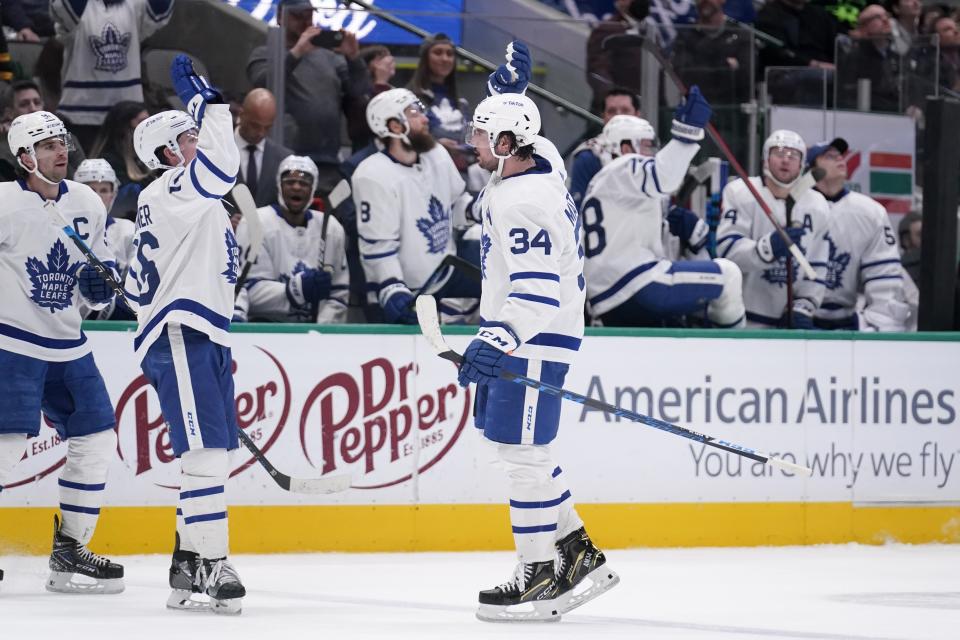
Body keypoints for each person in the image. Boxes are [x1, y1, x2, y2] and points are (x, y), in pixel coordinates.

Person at [456, 46, 619, 623]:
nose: (470, 143)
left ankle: (539, 576)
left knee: (521, 453)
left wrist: (494, 340)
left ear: (505, 145)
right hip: (533, 337)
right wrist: (511, 90)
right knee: (528, 450)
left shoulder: (523, 200)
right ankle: (576, 555)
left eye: (480, 135)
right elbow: (535, 137)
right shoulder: (538, 162)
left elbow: (536, 291)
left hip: (530, 338)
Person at [127, 55, 244, 614]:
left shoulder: (180, 200)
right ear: (168, 154)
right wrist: (211, 105)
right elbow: (224, 168)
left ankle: (187, 557)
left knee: (213, 453)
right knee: (205, 456)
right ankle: (213, 561)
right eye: (190, 135)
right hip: (182, 333)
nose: (198, 140)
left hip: (201, 334)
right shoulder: (175, 188)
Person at [0, 110, 124, 594]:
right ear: (25, 156)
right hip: (12, 343)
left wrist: (101, 288)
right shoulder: (5, 203)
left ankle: (70, 551)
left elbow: (102, 282)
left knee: (96, 441)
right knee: (5, 449)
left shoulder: (88, 203)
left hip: (70, 346)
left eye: (62, 142)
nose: (61, 151)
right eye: (49, 145)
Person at [582, 112, 746, 328]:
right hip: (637, 283)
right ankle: (734, 353)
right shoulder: (623, 166)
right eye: (646, 145)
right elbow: (665, 177)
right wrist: (686, 133)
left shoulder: (603, 186)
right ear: (624, 148)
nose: (651, 153)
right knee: (729, 276)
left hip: (605, 300)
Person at [352, 87, 479, 325]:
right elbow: (378, 248)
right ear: (395, 126)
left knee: (503, 274)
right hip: (404, 288)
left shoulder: (436, 154)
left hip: (443, 273)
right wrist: (392, 289)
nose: (425, 118)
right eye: (414, 113)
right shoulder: (371, 174)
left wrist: (482, 208)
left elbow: (455, 205)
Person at [246, 0, 371, 194]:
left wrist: (354, 58)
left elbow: (359, 92)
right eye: (298, 16)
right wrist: (296, 53)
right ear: (281, 17)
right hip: (284, 153)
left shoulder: (330, 57)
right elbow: (264, 84)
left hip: (327, 156)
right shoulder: (266, 53)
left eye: (309, 15)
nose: (305, 21)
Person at [717, 130, 831, 328]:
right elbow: (726, 252)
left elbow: (817, 266)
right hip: (741, 321)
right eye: (778, 153)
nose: (785, 161)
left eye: (793, 156)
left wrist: (804, 306)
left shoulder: (817, 204)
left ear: (803, 164)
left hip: (789, 322)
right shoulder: (740, 192)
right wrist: (767, 248)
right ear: (765, 159)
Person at [807, 138, 910, 330]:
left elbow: (885, 280)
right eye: (829, 156)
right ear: (811, 170)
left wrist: (875, 326)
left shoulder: (870, 212)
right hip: (798, 318)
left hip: (849, 320)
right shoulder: (794, 208)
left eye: (840, 155)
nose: (839, 159)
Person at [233, 155, 349, 323]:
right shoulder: (255, 222)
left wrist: (322, 328)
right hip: (264, 329)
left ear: (313, 188)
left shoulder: (332, 228)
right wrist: (296, 289)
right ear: (279, 186)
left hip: (315, 334)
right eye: (289, 181)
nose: (296, 187)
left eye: (304, 183)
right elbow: (244, 290)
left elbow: (339, 293)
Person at [50, 0, 175, 152]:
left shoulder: (134, 5)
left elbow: (159, 10)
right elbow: (67, 8)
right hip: (79, 116)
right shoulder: (82, 8)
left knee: (130, 173)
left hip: (128, 116)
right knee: (78, 170)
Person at [74, 158, 137, 320]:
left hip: (117, 325)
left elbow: (138, 285)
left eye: (103, 190)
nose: (98, 196)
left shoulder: (127, 230)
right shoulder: (62, 230)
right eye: (91, 190)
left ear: (113, 194)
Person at [407, 33, 473, 172]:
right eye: (438, 53)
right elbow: (405, 139)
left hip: (460, 174)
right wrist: (436, 145)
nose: (445, 59)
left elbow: (472, 140)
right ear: (425, 58)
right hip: (423, 172)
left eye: (450, 54)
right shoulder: (409, 99)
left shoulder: (462, 103)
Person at [567, 87, 641, 211]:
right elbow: (577, 210)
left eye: (625, 110)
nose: (618, 117)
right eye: (612, 111)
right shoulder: (588, 156)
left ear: (637, 115)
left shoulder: (650, 151)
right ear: (603, 116)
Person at [0, 80, 87, 181]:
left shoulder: (65, 137)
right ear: (9, 113)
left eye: (37, 102)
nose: (33, 108)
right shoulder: (3, 146)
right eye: (24, 104)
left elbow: (83, 173)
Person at [234, 88, 293, 208]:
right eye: (255, 126)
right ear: (241, 114)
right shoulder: (216, 152)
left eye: (267, 127)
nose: (261, 133)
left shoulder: (284, 160)